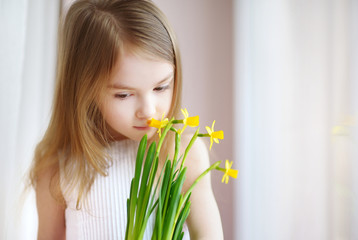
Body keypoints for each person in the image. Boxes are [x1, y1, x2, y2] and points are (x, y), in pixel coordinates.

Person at [29, 0, 223, 239]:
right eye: (124, 94)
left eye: (161, 87)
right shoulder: (57, 168)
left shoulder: (182, 153)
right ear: (85, 91)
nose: (148, 111)